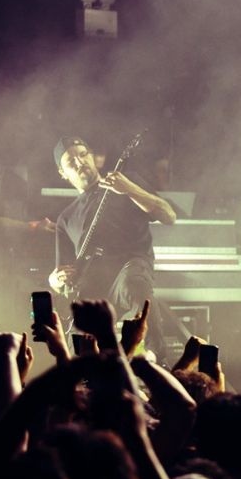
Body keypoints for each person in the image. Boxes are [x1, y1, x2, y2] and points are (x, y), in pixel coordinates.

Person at [46, 136, 177, 357]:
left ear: (93, 157)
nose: (80, 162)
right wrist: (54, 280)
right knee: (78, 332)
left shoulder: (125, 181)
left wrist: (129, 189)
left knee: (133, 285)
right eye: (71, 161)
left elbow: (169, 215)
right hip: (94, 285)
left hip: (130, 268)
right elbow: (64, 279)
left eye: (83, 154)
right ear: (62, 172)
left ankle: (155, 356)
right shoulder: (66, 218)